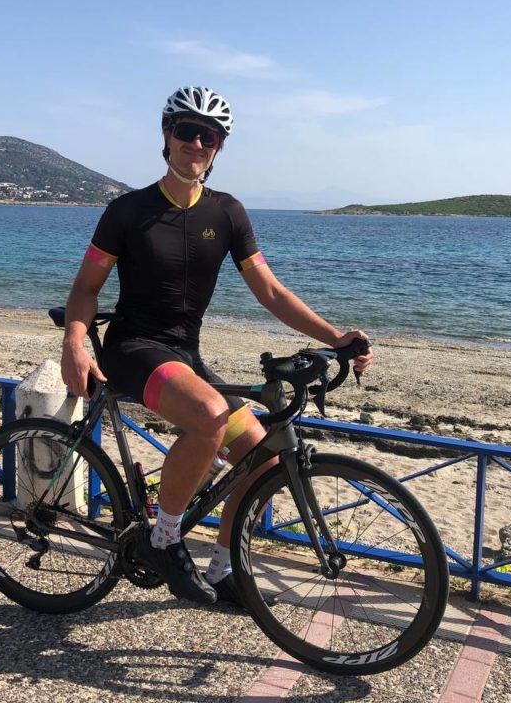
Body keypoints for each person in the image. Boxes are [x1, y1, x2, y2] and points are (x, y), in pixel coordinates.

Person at [61, 86, 373, 605]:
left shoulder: (226, 213)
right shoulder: (127, 211)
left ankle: (226, 568)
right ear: (167, 136)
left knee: (262, 458)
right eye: (188, 131)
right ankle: (165, 537)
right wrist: (76, 340)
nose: (198, 142)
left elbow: (270, 291)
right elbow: (84, 290)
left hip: (185, 356)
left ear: (219, 147)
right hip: (133, 348)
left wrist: (336, 337)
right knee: (208, 414)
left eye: (211, 136)